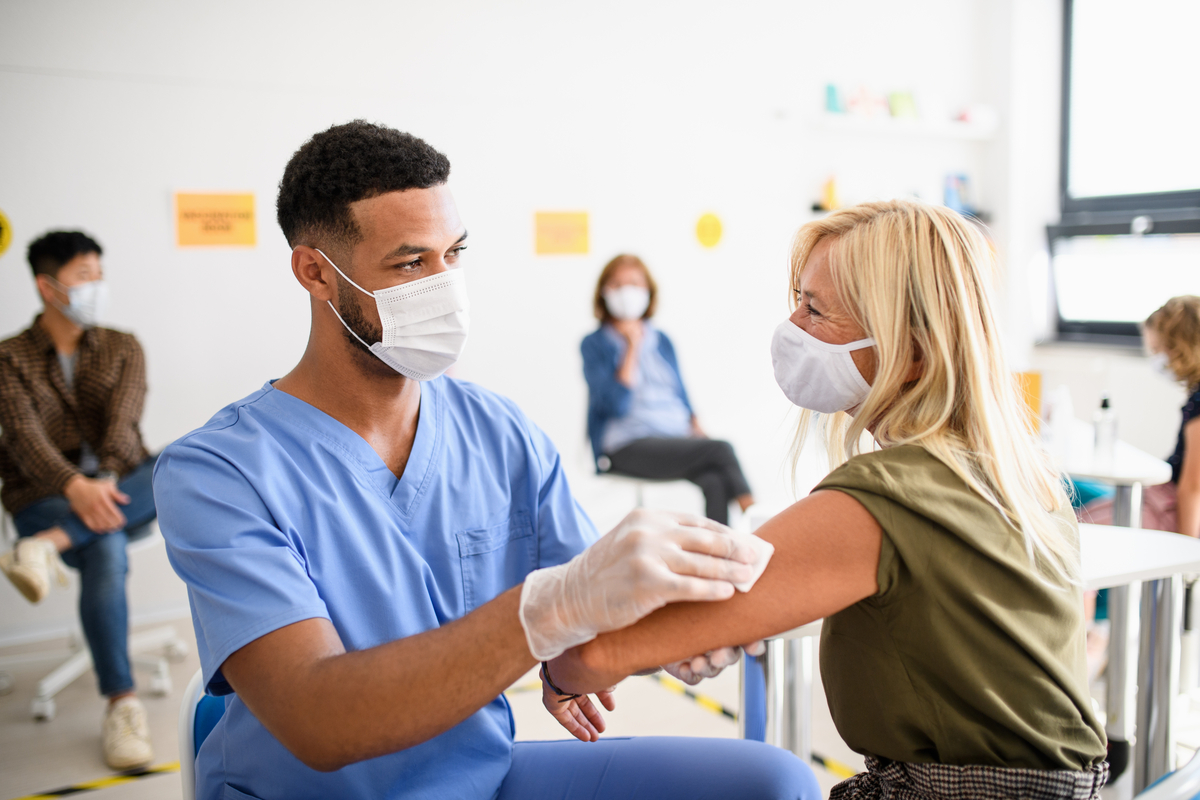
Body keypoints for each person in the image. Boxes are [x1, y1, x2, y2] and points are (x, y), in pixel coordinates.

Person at [153, 121, 816, 800]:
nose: (445, 286)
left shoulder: (497, 432)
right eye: (411, 264)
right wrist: (547, 612)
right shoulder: (217, 472)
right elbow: (319, 721)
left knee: (776, 783)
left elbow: (580, 648)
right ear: (316, 272)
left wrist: (679, 630)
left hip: (480, 779)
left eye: (454, 254)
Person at [548, 200, 1110, 800]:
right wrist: (723, 617)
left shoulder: (888, 497)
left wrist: (560, 671)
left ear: (912, 349)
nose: (792, 327)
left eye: (815, 309)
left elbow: (603, 650)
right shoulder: (1021, 474)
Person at [0, 230, 157, 770]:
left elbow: (125, 420)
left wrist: (105, 478)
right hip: (42, 493)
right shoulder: (8, 358)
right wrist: (75, 487)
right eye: (83, 277)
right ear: (48, 287)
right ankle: (122, 704)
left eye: (99, 274)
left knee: (179, 462)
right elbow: (22, 437)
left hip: (123, 484)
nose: (97, 287)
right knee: (106, 547)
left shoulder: (122, 345)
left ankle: (44, 547)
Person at [582, 254, 755, 524]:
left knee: (715, 478)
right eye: (617, 285)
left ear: (648, 292)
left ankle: (720, 557)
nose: (627, 292)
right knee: (721, 450)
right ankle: (761, 523)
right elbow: (616, 405)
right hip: (626, 446)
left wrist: (695, 424)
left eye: (634, 284)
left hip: (673, 437)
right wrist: (631, 348)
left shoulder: (662, 341)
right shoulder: (594, 344)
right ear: (604, 293)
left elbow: (680, 392)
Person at [1081, 296, 1200, 535]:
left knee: (1075, 524)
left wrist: (1188, 559)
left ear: (1179, 349)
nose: (1157, 359)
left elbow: (1193, 486)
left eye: (1158, 350)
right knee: (1074, 495)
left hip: (1168, 507)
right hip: (1158, 496)